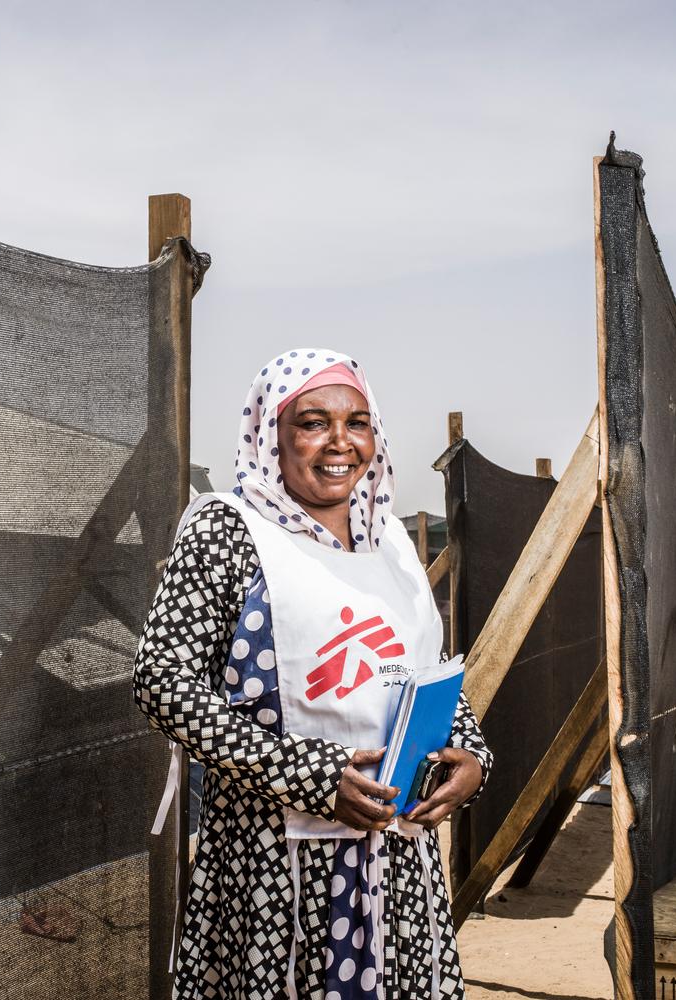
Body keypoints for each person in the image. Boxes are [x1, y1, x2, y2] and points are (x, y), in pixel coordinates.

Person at [133, 349, 492, 1000]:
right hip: (276, 867)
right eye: (313, 422)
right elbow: (161, 678)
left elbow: (419, 668)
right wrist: (310, 775)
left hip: (397, 867)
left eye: (357, 422)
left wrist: (466, 753)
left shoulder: (390, 541)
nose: (339, 442)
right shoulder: (228, 530)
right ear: (270, 431)